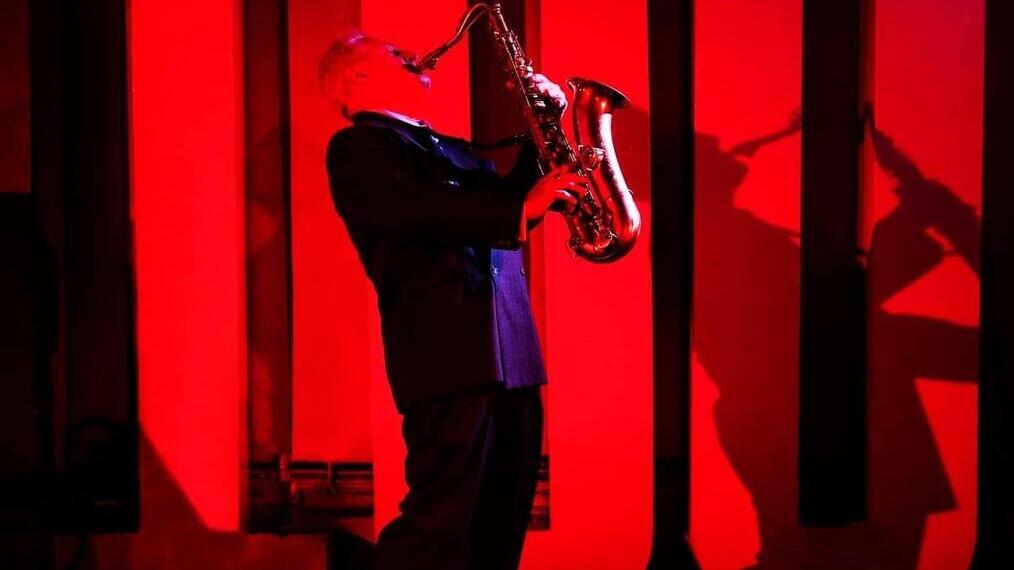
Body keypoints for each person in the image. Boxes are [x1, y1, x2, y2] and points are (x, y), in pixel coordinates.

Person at [318, 30, 583, 570]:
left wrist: (545, 124)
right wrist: (519, 206)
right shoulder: (359, 146)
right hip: (450, 357)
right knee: (441, 525)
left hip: (509, 354)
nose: (411, 53)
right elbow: (416, 211)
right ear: (359, 77)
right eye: (392, 54)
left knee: (498, 524)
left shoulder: (448, 150)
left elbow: (511, 204)